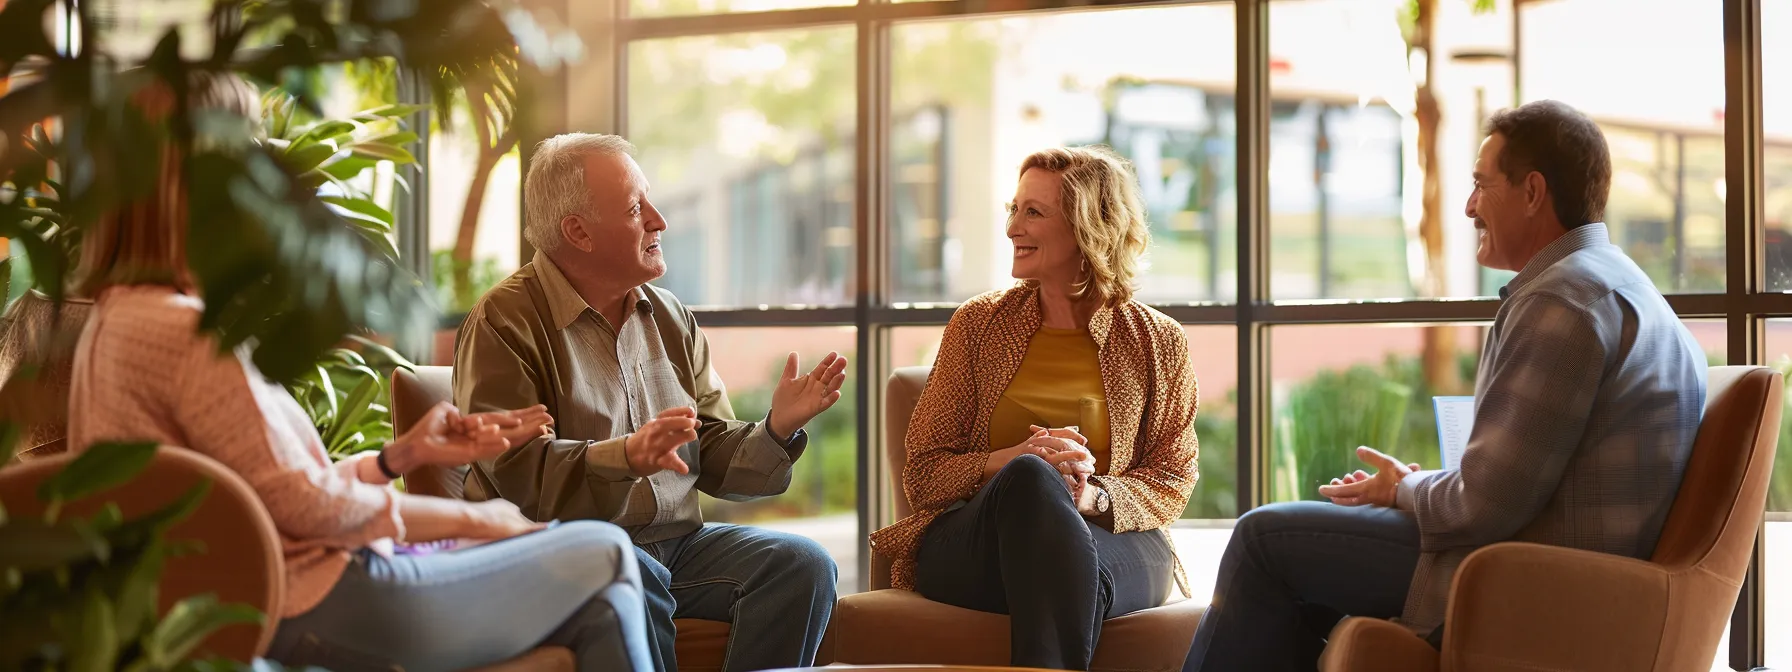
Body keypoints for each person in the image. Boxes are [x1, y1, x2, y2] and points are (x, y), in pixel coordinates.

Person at [64, 73, 654, 672]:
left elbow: (264, 491)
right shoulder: (183, 331)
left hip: (303, 593)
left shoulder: (124, 318)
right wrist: (480, 518)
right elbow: (301, 505)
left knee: (601, 611)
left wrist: (396, 460)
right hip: (315, 602)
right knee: (605, 550)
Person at [1181, 100, 1707, 671]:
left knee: (1263, 539)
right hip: (1570, 571)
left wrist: (1404, 490)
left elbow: (1486, 505)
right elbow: (1505, 487)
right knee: (1300, 590)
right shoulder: (1621, 283)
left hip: (1529, 580)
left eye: (1482, 185)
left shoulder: (1562, 303)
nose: (1468, 206)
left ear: (1533, 192)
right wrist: (1411, 484)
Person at [453, 133, 845, 672]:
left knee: (802, 565)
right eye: (637, 208)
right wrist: (626, 457)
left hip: (676, 544)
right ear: (577, 231)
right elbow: (520, 476)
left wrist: (776, 430)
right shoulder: (504, 322)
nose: (659, 220)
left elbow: (709, 452)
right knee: (630, 572)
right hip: (554, 550)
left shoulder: (669, 316)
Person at [867, 145, 1201, 671]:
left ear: (1090, 226)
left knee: (1060, 558)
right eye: (1013, 209)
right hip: (977, 544)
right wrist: (1014, 460)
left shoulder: (1158, 342)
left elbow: (1172, 478)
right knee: (1029, 478)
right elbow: (924, 476)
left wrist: (1090, 495)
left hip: (1107, 535)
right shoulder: (977, 325)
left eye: (1033, 212)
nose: (1011, 229)